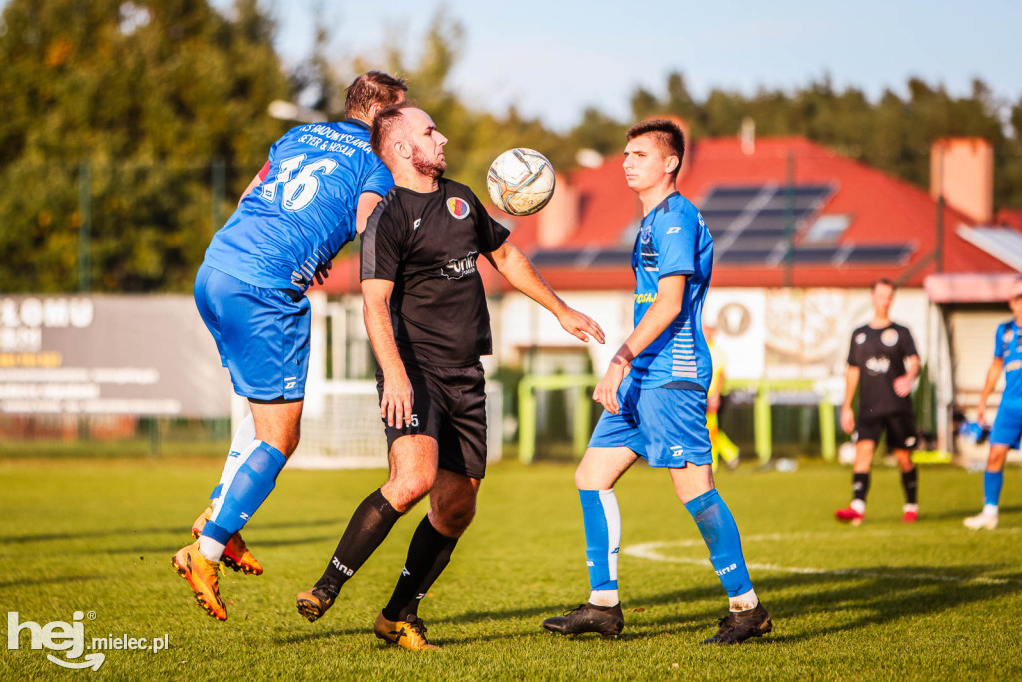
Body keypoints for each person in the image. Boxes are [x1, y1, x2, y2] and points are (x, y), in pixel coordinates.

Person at [294, 103, 605, 650]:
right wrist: (393, 373)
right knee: (412, 480)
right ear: (399, 149)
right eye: (429, 131)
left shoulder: (461, 199)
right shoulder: (386, 219)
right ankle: (326, 586)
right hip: (414, 371)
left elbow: (506, 259)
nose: (441, 137)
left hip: (466, 374)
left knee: (457, 508)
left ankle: (397, 616)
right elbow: (374, 305)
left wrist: (561, 310)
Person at [171, 71, 408, 621]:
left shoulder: (297, 135)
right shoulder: (375, 163)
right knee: (281, 437)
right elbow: (372, 231)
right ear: (384, 115)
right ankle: (203, 551)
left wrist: (306, 240)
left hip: (217, 268)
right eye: (400, 114)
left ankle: (222, 521)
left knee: (258, 413)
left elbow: (253, 195)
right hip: (265, 288)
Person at [540, 119, 772, 645]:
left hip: (674, 372)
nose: (627, 161)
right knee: (590, 477)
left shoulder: (675, 218)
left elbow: (670, 303)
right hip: (646, 372)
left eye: (640, 154)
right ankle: (603, 605)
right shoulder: (651, 221)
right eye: (625, 153)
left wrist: (620, 358)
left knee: (695, 488)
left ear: (670, 163)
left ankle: (747, 608)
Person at [836, 279, 921, 525]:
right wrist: (846, 407)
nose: (885, 300)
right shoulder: (859, 334)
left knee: (904, 458)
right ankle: (857, 507)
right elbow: (852, 371)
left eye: (889, 296)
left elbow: (915, 361)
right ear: (873, 297)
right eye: (881, 295)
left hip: (897, 407)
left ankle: (911, 504)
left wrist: (909, 376)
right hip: (868, 408)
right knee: (863, 453)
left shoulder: (901, 332)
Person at [964, 277, 1022, 530]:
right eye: (1017, 297)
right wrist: (983, 398)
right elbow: (996, 364)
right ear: (1011, 302)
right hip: (1010, 405)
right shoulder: (1004, 331)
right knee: (995, 453)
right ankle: (990, 513)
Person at [705, 324, 740, 470]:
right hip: (701, 397)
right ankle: (730, 453)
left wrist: (715, 396)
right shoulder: (701, 350)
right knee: (707, 428)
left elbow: (719, 375)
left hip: (711, 397)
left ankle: (713, 462)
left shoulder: (715, 352)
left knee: (710, 429)